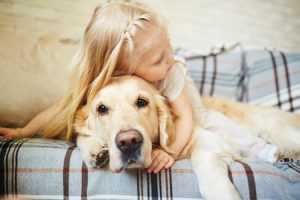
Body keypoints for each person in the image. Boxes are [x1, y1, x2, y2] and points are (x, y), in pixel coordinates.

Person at [0, 1, 278, 173]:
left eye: (169, 45)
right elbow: (60, 109)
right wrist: (23, 131)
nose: (170, 56)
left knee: (217, 124)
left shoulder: (172, 73)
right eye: (159, 57)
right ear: (127, 70)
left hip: (194, 111)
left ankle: (264, 151)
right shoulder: (104, 85)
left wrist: (169, 151)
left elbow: (185, 116)